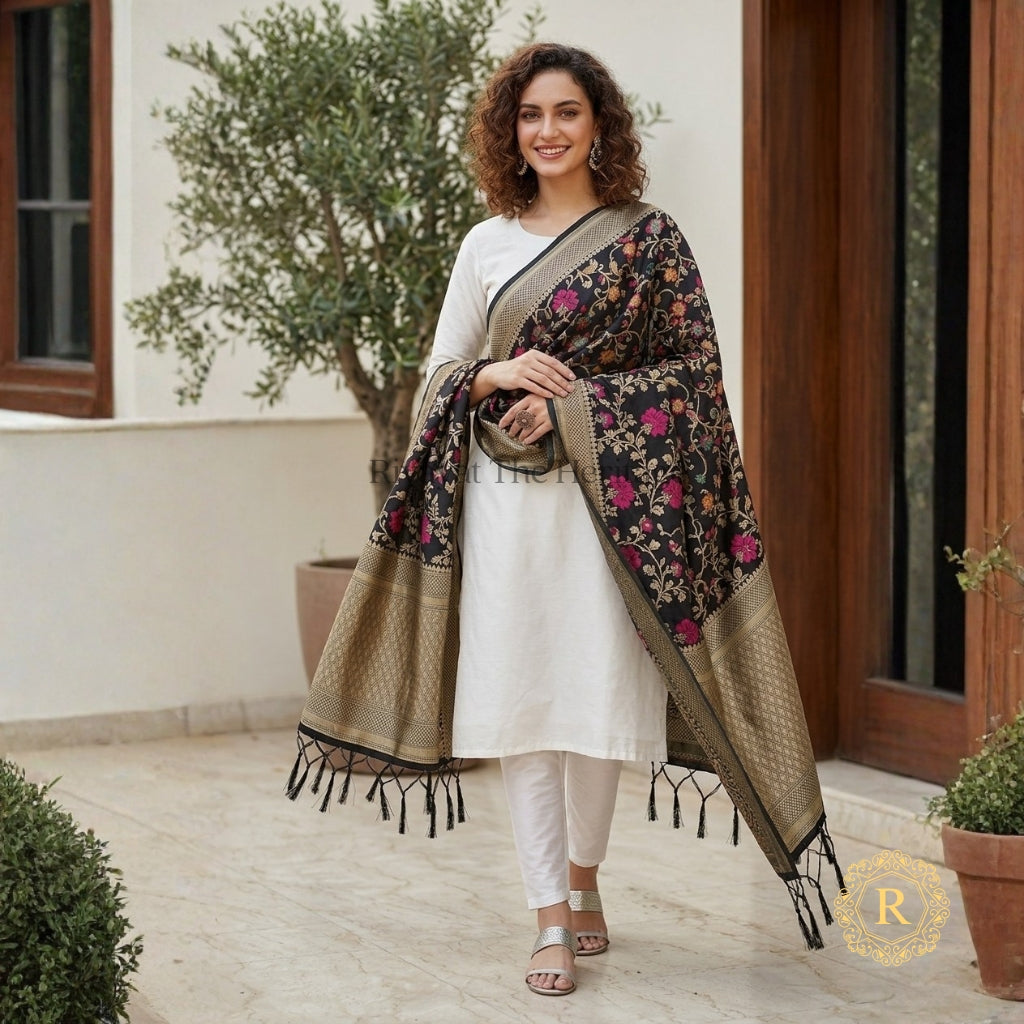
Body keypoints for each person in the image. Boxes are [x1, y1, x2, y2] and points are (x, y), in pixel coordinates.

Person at [288, 43, 844, 999]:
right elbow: (436, 385)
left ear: (600, 126)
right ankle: (549, 910)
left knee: (593, 710)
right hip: (507, 517)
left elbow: (694, 383)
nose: (546, 131)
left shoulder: (649, 238)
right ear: (512, 129)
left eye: (567, 113)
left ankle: (586, 878)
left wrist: (581, 407)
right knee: (523, 710)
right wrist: (496, 376)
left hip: (607, 520)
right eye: (530, 115)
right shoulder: (486, 245)